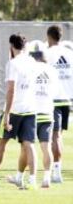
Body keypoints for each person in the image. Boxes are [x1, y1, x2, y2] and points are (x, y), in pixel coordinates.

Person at [0, 34, 38, 189]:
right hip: (30, 109)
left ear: (11, 46)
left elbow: (11, 90)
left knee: (1, 144)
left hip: (15, 109)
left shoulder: (13, 63)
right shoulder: (32, 61)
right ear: (25, 46)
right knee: (28, 145)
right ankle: (32, 181)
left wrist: (7, 114)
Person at [7, 42, 58, 188]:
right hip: (48, 111)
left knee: (26, 146)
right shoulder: (51, 70)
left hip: (32, 112)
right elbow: (54, 91)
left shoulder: (29, 67)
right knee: (46, 146)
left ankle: (20, 177)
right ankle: (47, 178)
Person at [45, 25, 73, 183]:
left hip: (52, 99)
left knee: (53, 136)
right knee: (58, 135)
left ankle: (56, 172)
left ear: (49, 37)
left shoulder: (47, 54)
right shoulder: (70, 54)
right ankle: (57, 169)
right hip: (66, 99)